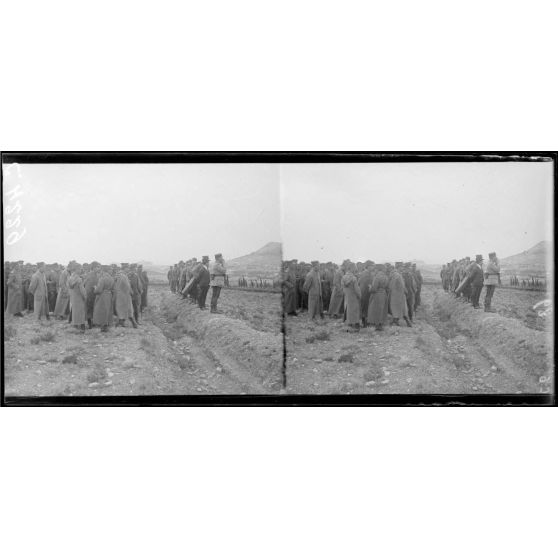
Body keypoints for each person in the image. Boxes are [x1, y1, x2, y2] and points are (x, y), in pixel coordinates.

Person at [367, 264, 389, 330]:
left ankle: (377, 325)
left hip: (377, 295)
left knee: (376, 309)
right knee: (382, 309)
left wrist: (370, 287)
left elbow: (374, 288)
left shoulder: (377, 277)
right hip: (384, 294)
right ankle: (381, 324)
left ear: (379, 269)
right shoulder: (385, 277)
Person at [93, 265, 114, 332]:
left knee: (101, 311)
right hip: (109, 295)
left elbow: (99, 290)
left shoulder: (102, 278)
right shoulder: (111, 278)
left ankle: (103, 326)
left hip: (102, 296)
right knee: (108, 310)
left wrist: (95, 289)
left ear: (104, 270)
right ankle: (106, 325)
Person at [341, 262, 361, 331]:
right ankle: (355, 324)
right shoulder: (353, 278)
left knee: (348, 309)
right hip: (353, 296)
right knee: (355, 310)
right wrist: (359, 295)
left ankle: (349, 323)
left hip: (347, 296)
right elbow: (357, 289)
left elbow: (343, 287)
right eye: (354, 267)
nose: (355, 269)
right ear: (351, 268)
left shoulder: (344, 277)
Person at [68, 264, 87, 331]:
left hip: (73, 297)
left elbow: (70, 287)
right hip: (79, 297)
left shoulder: (71, 277)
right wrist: (85, 296)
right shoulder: (79, 279)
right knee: (81, 312)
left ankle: (75, 324)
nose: (81, 270)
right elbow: (82, 290)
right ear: (76, 270)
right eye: (80, 269)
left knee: (75, 311)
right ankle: (82, 326)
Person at [84, 262, 100, 328]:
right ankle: (90, 323)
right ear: (93, 268)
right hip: (90, 294)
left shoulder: (96, 275)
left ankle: (92, 322)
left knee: (92, 308)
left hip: (93, 294)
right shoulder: (91, 275)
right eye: (97, 267)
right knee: (89, 308)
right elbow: (88, 285)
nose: (98, 269)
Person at [358, 261, 373, 327]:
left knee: (365, 307)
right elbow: (368, 283)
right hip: (365, 292)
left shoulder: (365, 273)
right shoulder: (366, 273)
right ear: (368, 266)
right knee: (365, 307)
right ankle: (364, 322)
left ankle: (365, 321)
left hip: (364, 291)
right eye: (371, 266)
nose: (372, 267)